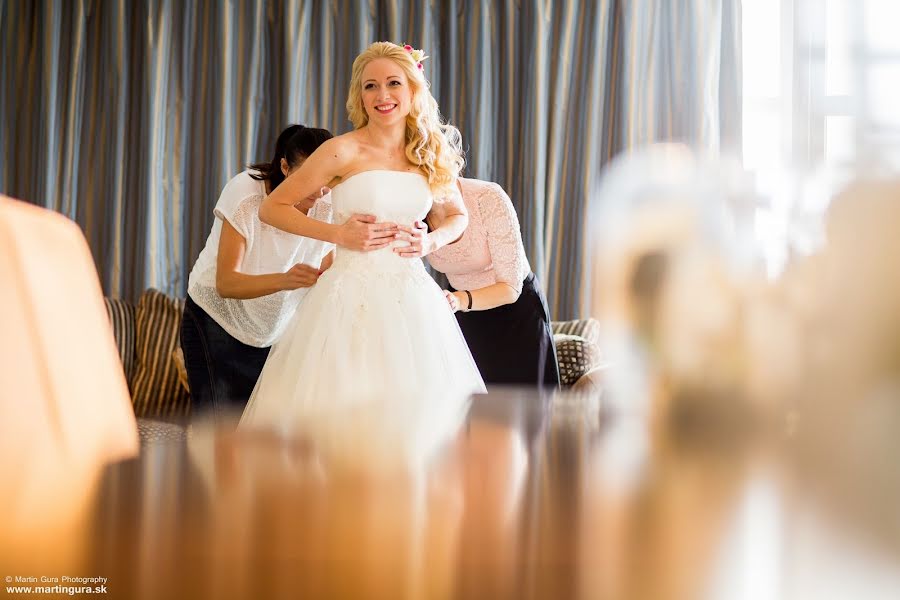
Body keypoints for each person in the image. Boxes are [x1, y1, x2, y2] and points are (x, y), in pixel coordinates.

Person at [238, 42, 485, 445]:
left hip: (414, 305)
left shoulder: (427, 154)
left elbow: (458, 216)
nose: (382, 96)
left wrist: (430, 240)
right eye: (371, 86)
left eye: (393, 83)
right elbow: (273, 208)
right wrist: (338, 234)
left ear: (413, 90)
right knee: (338, 431)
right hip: (346, 300)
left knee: (418, 431)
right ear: (360, 95)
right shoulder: (341, 150)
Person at [182, 124, 393, 420]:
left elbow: (327, 259)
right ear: (284, 166)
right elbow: (226, 283)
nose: (321, 189)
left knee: (262, 436)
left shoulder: (329, 199)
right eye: (310, 174)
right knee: (218, 435)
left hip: (273, 332)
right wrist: (286, 280)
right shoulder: (246, 193)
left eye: (329, 177)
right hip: (216, 321)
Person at [426, 178, 560, 387]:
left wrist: (460, 300)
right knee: (477, 412)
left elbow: (510, 288)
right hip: (465, 318)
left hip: (515, 317)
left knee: (523, 412)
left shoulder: (486, 197)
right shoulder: (413, 211)